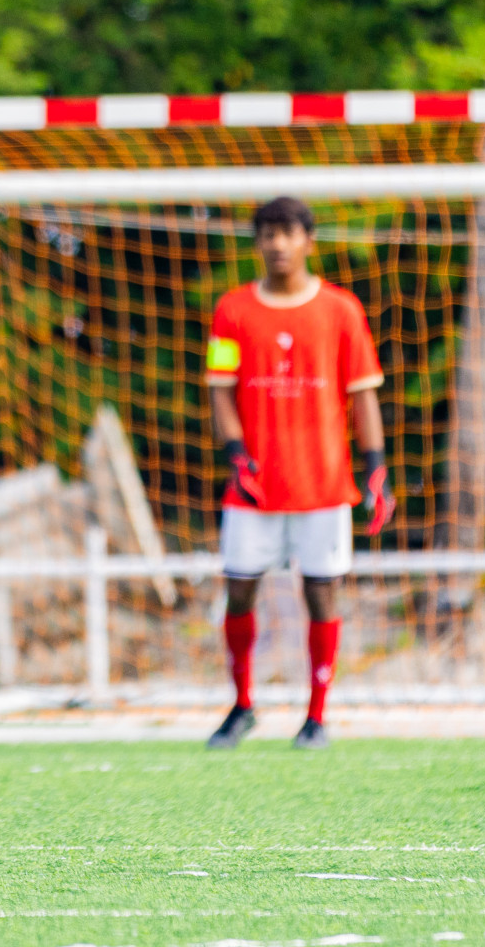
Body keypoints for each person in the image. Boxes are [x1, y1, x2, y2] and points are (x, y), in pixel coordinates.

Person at [204, 196, 396, 751]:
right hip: (254, 488)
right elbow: (221, 392)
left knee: (322, 595)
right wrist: (236, 453)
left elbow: (363, 398)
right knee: (238, 591)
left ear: (308, 241)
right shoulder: (232, 310)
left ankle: (316, 716)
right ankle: (242, 705)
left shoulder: (341, 310)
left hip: (322, 486)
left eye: (288, 232)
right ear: (257, 242)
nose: (278, 243)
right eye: (267, 233)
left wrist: (376, 469)